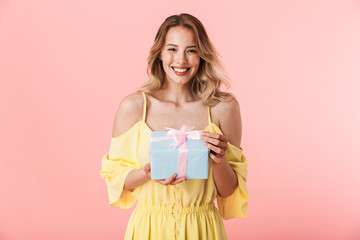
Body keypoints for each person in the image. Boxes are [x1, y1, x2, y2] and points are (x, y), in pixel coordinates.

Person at [99, 13, 249, 240]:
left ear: (202, 55)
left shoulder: (223, 108)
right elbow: (115, 180)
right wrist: (146, 173)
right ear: (159, 53)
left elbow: (228, 192)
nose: (181, 60)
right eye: (172, 49)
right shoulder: (134, 107)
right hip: (149, 229)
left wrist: (219, 161)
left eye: (191, 50)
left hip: (202, 229)